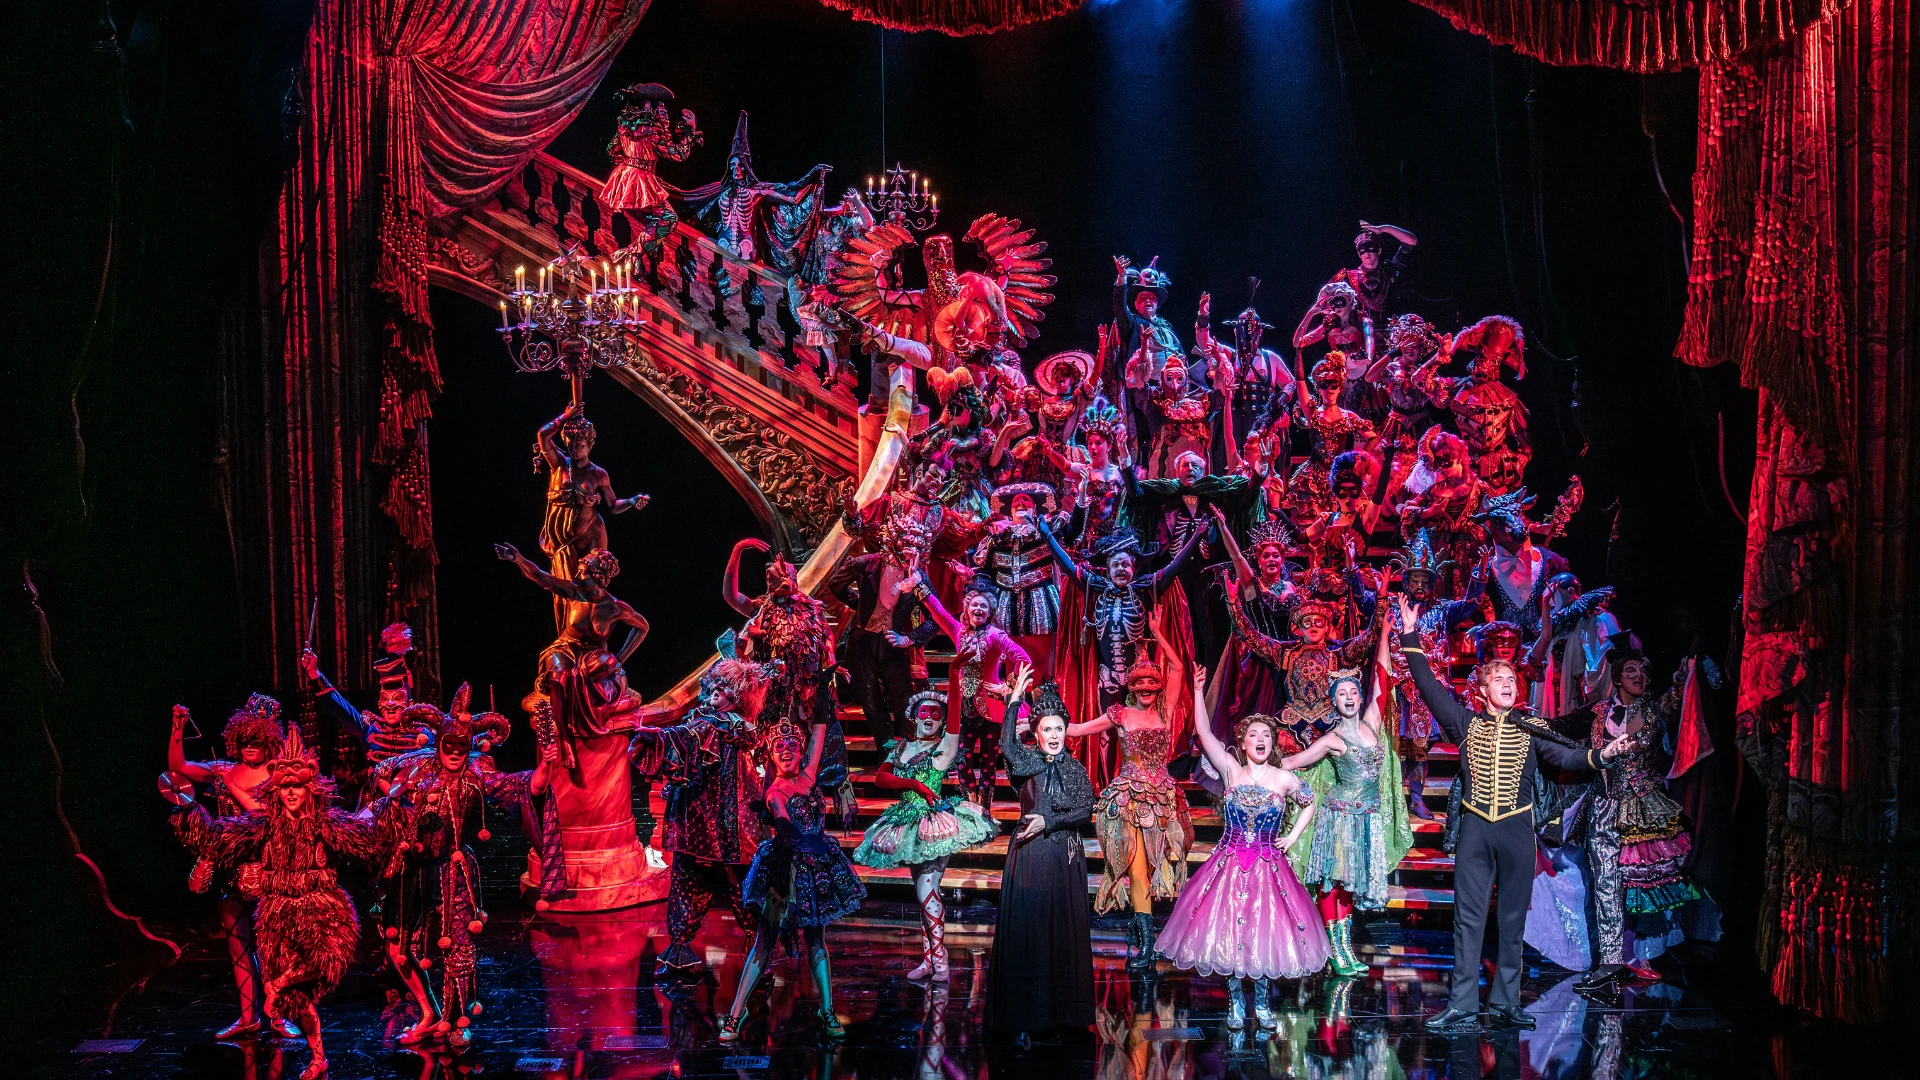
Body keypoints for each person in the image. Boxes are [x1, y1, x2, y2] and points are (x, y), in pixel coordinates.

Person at [1395, 594, 1632, 1032]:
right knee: (1467, 918)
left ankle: (1505, 1000)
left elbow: (1569, 759)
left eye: (1511, 679)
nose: (1507, 683)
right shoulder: (1465, 724)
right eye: (1498, 678)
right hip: (1475, 831)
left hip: (1517, 830)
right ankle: (1463, 1002)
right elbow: (1428, 686)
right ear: (1482, 690)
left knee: (1511, 917)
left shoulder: (1530, 728)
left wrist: (1604, 755)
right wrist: (1409, 635)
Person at [170, 726, 407, 1079]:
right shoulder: (263, 825)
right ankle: (318, 1057)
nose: (291, 793)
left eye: (297, 786)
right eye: (285, 787)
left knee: (321, 964)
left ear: (309, 787)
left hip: (322, 910)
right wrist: (186, 806)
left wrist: (391, 805)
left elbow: (370, 841)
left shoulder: (327, 823)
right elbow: (218, 837)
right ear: (276, 790)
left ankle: (277, 987)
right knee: (300, 999)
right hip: (278, 913)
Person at [371, 689, 545, 1046]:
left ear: (469, 746)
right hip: (410, 869)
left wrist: (548, 762)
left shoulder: (477, 774)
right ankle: (428, 1011)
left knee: (458, 949)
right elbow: (380, 774)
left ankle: (457, 1020)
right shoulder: (417, 766)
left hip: (452, 870)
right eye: (447, 744)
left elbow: (526, 785)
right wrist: (395, 800)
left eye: (460, 746)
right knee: (396, 946)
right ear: (438, 742)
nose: (453, 751)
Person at [1157, 669, 1329, 1031]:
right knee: (1233, 931)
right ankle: (1236, 1000)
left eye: (1267, 734)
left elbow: (1310, 803)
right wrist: (1200, 690)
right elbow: (1204, 734)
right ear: (1244, 742)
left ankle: (1263, 1002)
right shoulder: (1231, 770)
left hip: (1268, 864)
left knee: (1264, 929)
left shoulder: (1283, 778)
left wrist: (1293, 836)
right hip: (1231, 862)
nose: (1261, 739)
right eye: (1254, 734)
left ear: (1273, 742)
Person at [1571, 649, 1717, 998]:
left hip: (1645, 806)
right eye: (1631, 671)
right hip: (1606, 805)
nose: (1639, 677)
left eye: (1644, 671)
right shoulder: (1598, 711)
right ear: (1618, 678)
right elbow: (1561, 728)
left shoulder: (1656, 709)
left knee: (1648, 883)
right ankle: (1609, 962)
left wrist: (1689, 666)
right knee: (1606, 885)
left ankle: (1646, 955)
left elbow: (1683, 695)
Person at [720, 720, 867, 1043]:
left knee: (816, 939)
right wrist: (783, 826)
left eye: (792, 746)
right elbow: (779, 812)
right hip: (783, 871)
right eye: (779, 747)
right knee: (765, 940)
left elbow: (819, 731)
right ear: (770, 755)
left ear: (801, 751)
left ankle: (827, 1009)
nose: (786, 751)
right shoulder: (776, 791)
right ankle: (735, 1013)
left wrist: (821, 682)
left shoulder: (809, 775)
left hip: (816, 870)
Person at [627, 655, 772, 979]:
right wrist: (660, 737)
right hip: (700, 813)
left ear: (735, 697)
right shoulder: (705, 721)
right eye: (714, 688)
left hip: (731, 815)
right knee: (691, 877)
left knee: (741, 880)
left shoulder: (729, 726)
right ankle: (680, 944)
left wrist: (659, 737)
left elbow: (686, 737)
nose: (713, 694)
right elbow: (685, 736)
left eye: (722, 690)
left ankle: (759, 945)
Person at [166, 695, 301, 1040]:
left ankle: (276, 1016)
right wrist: (177, 728)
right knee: (237, 945)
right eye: (244, 740)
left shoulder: (276, 773)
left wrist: (229, 784)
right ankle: (247, 1017)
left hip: (269, 866)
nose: (250, 746)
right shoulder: (224, 767)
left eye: (256, 740)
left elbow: (262, 813)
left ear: (268, 738)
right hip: (230, 869)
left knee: (274, 946)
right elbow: (179, 768)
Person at [1280, 621, 1411, 976]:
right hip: (1338, 818)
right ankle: (1333, 949)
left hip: (1366, 818)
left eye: (1353, 691)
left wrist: (1383, 634)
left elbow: (1381, 682)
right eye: (1343, 695)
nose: (1351, 697)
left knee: (1351, 883)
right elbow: (1291, 763)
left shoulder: (1371, 724)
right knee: (1332, 882)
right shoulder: (1331, 739)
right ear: (1334, 703)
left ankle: (1346, 947)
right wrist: (1263, 771)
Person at [1068, 624, 1195, 969]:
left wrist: (1157, 633)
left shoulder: (1166, 711)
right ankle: (1147, 942)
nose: (1146, 688)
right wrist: (1027, 715)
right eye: (1138, 682)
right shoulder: (1120, 715)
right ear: (1130, 686)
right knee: (1137, 870)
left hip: (1163, 800)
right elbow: (1076, 730)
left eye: (1151, 682)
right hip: (1128, 801)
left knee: (1158, 867)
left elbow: (1179, 668)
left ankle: (1138, 933)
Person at [851, 690, 996, 982]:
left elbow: (956, 721)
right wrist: (914, 785)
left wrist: (954, 674)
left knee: (925, 891)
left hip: (934, 824)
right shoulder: (901, 747)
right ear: (914, 717)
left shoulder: (944, 748)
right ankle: (929, 959)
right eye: (923, 712)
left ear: (942, 721)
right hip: (906, 822)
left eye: (935, 713)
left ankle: (940, 960)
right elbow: (881, 777)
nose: (929, 717)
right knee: (923, 892)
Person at [986, 678, 1096, 1045]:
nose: (1053, 734)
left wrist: (1050, 821)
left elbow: (1085, 811)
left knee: (1062, 929)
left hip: (1064, 856)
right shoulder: (1025, 761)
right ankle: (1025, 1015)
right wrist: (1014, 701)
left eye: (1059, 729)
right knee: (1029, 933)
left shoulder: (1076, 768)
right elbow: (1005, 744)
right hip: (1031, 856)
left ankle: (1066, 1013)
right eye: (1046, 728)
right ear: (1035, 731)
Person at [907, 573, 1033, 810]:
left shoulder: (996, 636)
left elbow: (1022, 658)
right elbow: (938, 611)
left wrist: (1009, 685)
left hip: (991, 709)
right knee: (963, 760)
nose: (978, 609)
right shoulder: (957, 630)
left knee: (987, 763)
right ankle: (968, 807)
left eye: (983, 606)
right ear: (967, 608)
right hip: (962, 708)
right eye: (974, 604)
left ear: (990, 611)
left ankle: (985, 808)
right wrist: (919, 586)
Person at [534, 405, 649, 630]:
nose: (575, 449)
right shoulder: (558, 464)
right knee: (564, 593)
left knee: (588, 588)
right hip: (561, 542)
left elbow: (613, 506)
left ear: (590, 445)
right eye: (571, 444)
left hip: (591, 536)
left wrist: (632, 501)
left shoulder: (598, 474)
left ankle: (593, 631)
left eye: (581, 445)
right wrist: (566, 416)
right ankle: (573, 633)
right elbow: (543, 435)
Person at [494, 543, 649, 706]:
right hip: (566, 649)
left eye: (582, 572)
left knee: (606, 664)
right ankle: (562, 728)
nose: (577, 575)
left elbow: (642, 627)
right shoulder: (573, 592)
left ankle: (583, 711)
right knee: (560, 676)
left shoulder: (614, 607)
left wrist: (620, 659)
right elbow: (540, 576)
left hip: (593, 656)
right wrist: (518, 559)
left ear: (596, 576)